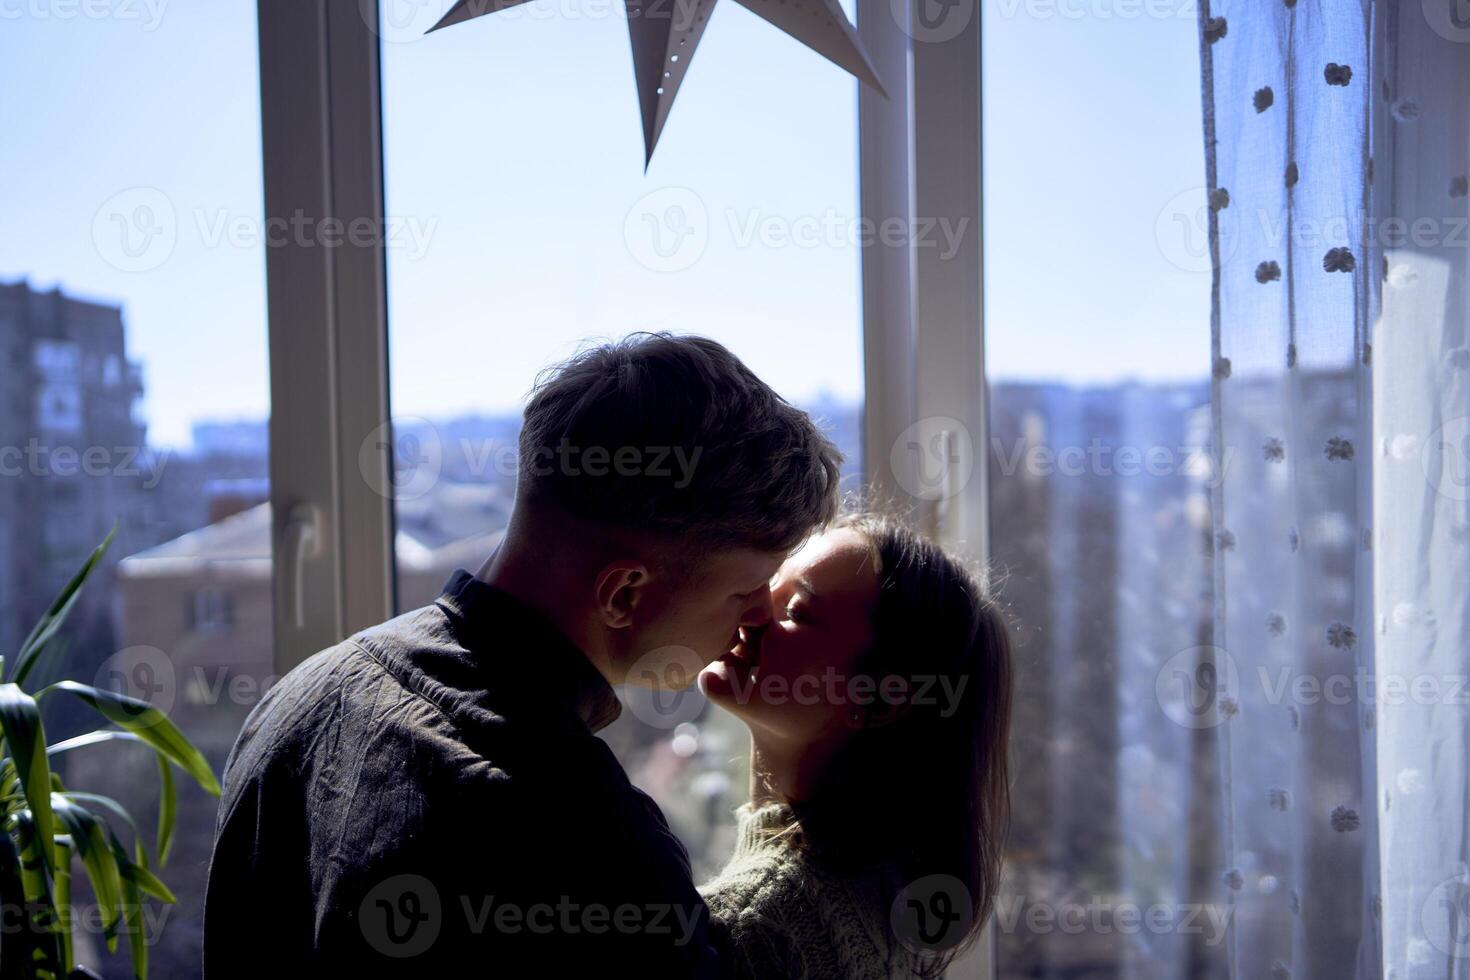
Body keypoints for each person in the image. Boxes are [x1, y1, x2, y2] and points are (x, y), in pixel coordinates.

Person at [202, 333, 842, 975]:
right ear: (622, 593)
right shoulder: (586, 841)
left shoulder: (301, 698)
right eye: (744, 591)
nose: (761, 614)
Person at [698, 513, 1014, 979]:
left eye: (796, 612)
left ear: (879, 700)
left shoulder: (751, 929)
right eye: (768, 583)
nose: (752, 610)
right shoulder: (896, 903)